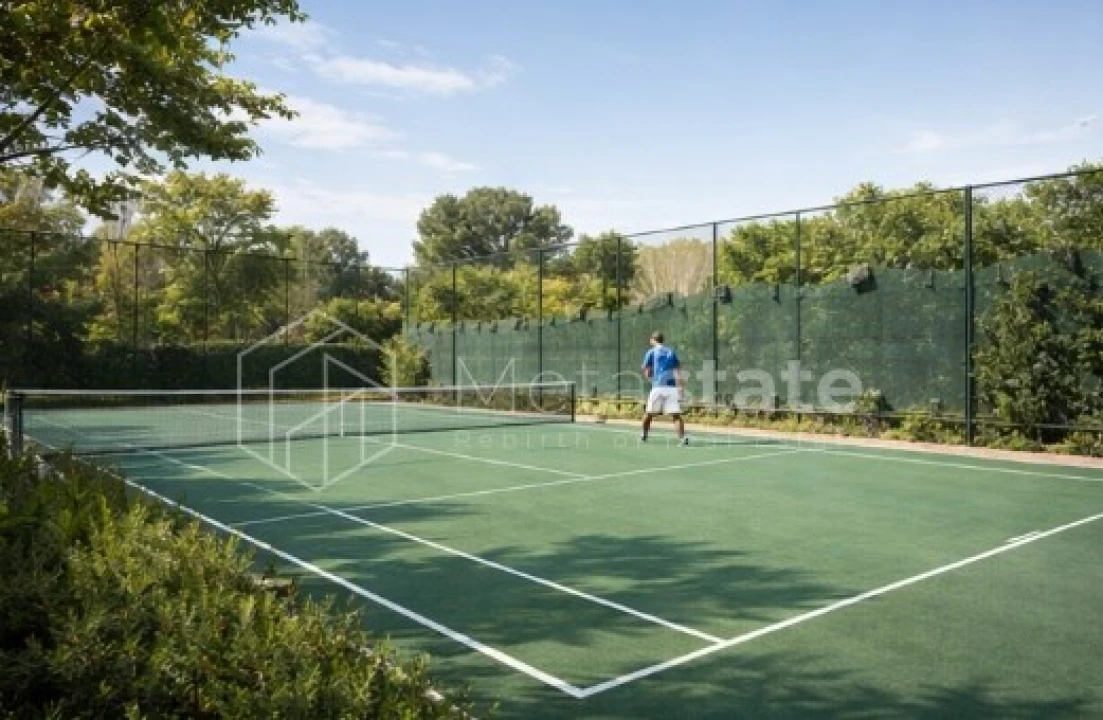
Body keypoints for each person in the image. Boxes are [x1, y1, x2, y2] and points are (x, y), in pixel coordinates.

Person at [640, 332, 688, 446]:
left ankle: (644, 435)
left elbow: (646, 370)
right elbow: (677, 371)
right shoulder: (671, 352)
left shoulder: (651, 352)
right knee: (676, 415)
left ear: (653, 340)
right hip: (671, 388)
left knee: (648, 413)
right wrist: (680, 387)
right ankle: (682, 438)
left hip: (658, 386)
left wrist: (651, 378)